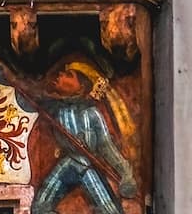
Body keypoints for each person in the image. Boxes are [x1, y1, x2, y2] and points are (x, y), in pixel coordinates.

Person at [31, 65, 137, 214]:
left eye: (68, 75)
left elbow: (106, 146)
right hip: (67, 164)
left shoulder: (92, 113)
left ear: (81, 87)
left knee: (110, 210)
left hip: (87, 165)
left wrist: (126, 174)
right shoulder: (56, 109)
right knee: (39, 207)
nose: (60, 74)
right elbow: (30, 92)